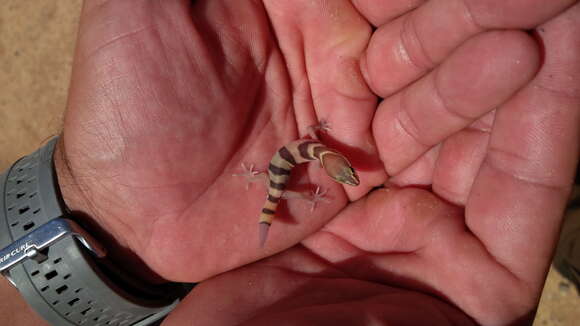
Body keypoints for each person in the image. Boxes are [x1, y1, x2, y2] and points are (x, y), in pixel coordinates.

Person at [2, 1, 579, 325]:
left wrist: (106, 218)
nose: (348, 171)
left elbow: (310, 151)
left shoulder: (324, 157)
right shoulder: (318, 159)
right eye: (344, 171)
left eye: (343, 171)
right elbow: (307, 153)